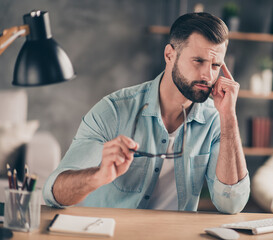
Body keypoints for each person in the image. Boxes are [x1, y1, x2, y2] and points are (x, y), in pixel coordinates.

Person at [43, 12, 250, 214]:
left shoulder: (216, 120)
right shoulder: (114, 110)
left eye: (215, 65)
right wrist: (98, 175)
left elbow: (231, 204)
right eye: (198, 61)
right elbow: (54, 193)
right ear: (170, 55)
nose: (208, 75)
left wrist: (229, 116)